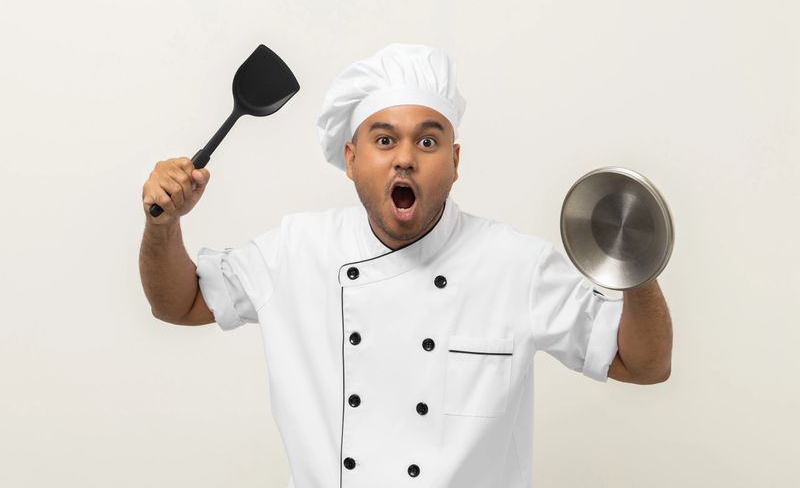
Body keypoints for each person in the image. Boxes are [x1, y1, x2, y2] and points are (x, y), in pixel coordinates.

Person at [139, 43, 672, 487]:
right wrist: (163, 227)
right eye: (384, 139)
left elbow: (643, 363)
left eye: (428, 140)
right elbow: (178, 302)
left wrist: (636, 265)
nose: (405, 157)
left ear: (455, 162)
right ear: (350, 160)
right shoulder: (296, 250)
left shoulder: (515, 265)